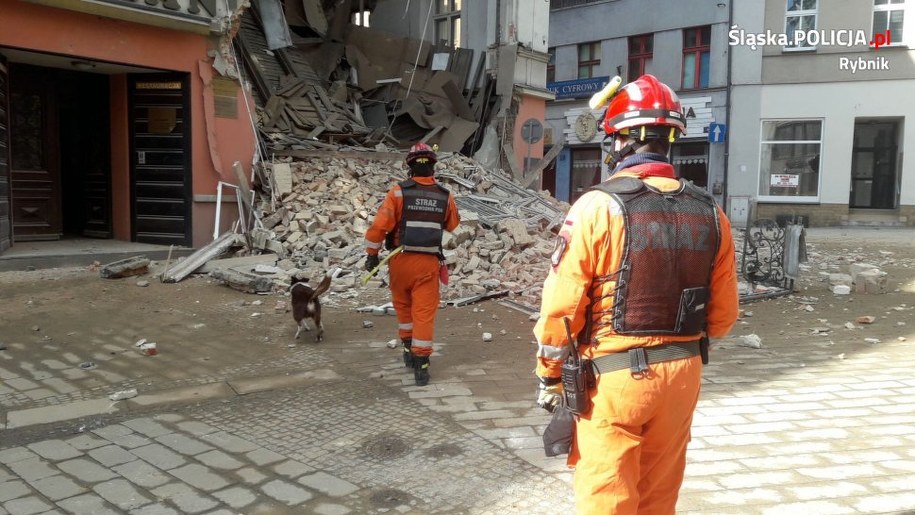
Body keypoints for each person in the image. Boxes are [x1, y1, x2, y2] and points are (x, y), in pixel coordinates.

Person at [533, 74, 739, 514]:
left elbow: (561, 309)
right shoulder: (712, 212)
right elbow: (722, 319)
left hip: (615, 381)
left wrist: (550, 373)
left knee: (607, 500)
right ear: (671, 141)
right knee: (658, 498)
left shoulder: (596, 207)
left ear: (620, 142)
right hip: (683, 374)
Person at [364, 143, 460, 386]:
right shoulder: (444, 195)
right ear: (433, 167)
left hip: (399, 261)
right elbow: (452, 225)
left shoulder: (397, 192)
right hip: (428, 264)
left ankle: (408, 349)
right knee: (424, 314)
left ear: (410, 168)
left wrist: (372, 255)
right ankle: (422, 366)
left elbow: (379, 227)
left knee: (404, 309)